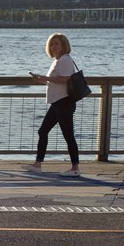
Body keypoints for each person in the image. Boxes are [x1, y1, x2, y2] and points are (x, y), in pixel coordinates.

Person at [28, 32, 83, 173]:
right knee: (43, 131)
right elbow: (57, 80)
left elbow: (65, 79)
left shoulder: (65, 59)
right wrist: (42, 79)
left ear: (64, 45)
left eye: (57, 44)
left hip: (64, 102)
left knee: (68, 135)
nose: (53, 46)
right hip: (57, 102)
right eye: (51, 44)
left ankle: (75, 168)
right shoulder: (57, 60)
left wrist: (44, 78)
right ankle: (37, 165)